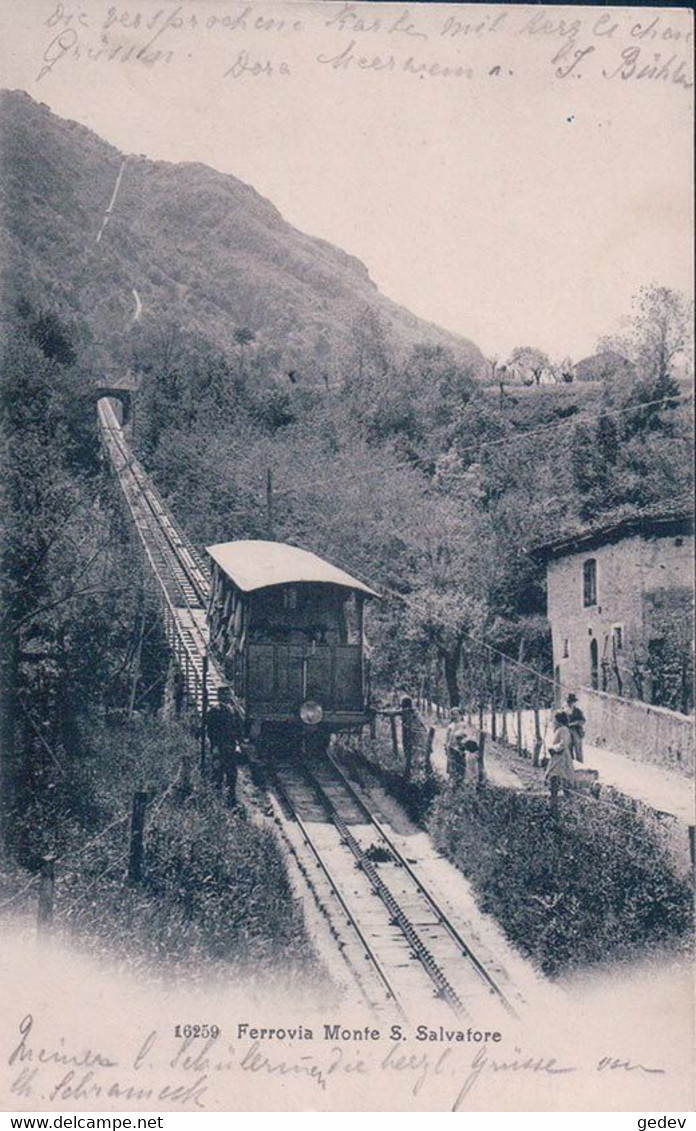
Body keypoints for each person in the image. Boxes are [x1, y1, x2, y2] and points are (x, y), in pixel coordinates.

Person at [206, 686, 242, 806]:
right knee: (218, 774)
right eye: (224, 695)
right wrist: (214, 747)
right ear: (219, 696)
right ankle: (216, 802)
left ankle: (231, 800)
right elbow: (211, 731)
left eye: (228, 694)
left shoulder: (233, 711)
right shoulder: (214, 711)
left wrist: (238, 743)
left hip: (230, 747)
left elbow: (237, 729)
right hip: (219, 748)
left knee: (232, 775)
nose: (227, 697)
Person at [545, 710, 575, 791]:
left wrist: (554, 749)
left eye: (554, 720)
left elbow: (563, 743)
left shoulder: (564, 729)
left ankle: (561, 799)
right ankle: (554, 799)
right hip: (557, 758)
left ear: (559, 720)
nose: (553, 722)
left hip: (561, 759)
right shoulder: (559, 730)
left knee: (560, 778)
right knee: (555, 779)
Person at [445, 707, 468, 781]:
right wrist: (446, 746)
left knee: (461, 765)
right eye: (453, 715)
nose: (455, 717)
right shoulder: (450, 726)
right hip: (452, 748)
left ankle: (461, 780)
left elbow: (467, 736)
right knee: (452, 764)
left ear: (460, 715)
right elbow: (447, 737)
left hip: (461, 748)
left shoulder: (464, 725)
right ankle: (453, 779)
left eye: (456, 714)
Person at [566, 693, 586, 763]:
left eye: (572, 702)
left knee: (578, 747)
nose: (570, 704)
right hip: (567, 731)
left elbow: (583, 720)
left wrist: (576, 723)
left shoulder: (578, 711)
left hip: (576, 731)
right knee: (568, 747)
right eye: (569, 702)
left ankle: (580, 763)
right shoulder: (565, 711)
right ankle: (570, 763)